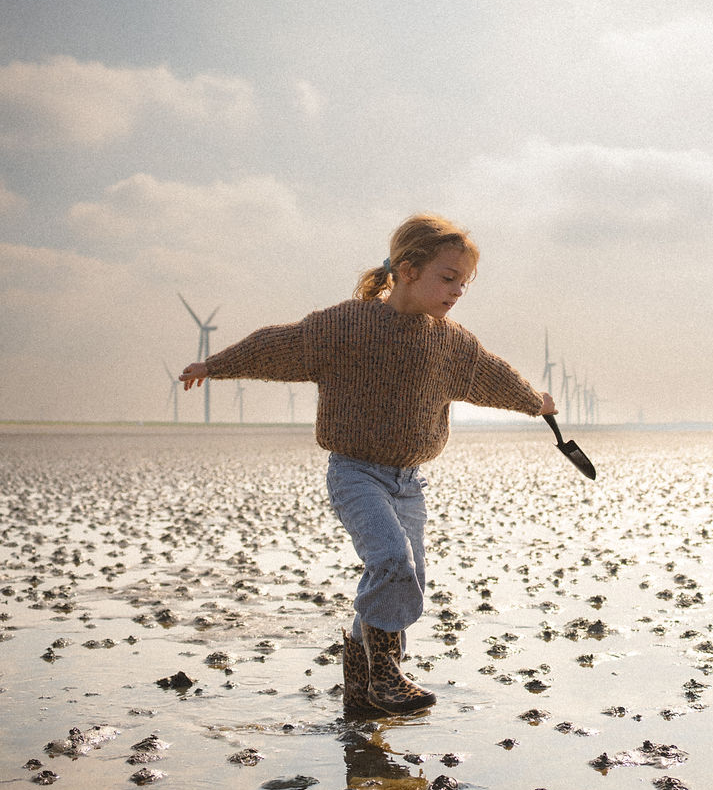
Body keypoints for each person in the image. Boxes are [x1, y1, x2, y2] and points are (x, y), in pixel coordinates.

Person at [180, 213, 556, 717]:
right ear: (407, 269)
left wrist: (536, 401)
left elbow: (493, 377)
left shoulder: (451, 343)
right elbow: (281, 345)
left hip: (409, 483)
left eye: (463, 285)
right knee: (391, 563)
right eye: (448, 279)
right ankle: (386, 673)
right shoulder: (348, 325)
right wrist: (216, 364)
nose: (456, 293)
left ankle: (361, 685)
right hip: (355, 472)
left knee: (409, 575)